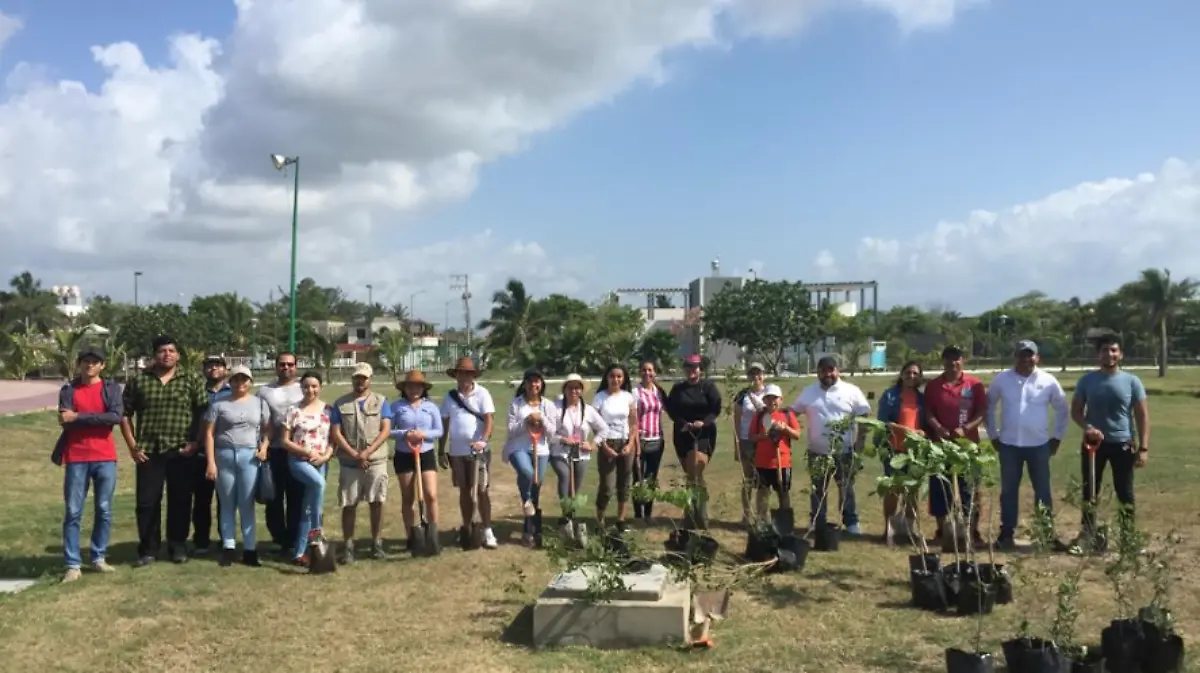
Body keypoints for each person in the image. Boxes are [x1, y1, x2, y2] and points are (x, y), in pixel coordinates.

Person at [120, 335, 209, 566]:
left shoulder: (191, 379)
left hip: (182, 450)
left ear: (178, 355)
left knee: (180, 500)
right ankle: (148, 549)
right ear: (154, 355)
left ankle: (177, 545)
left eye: (171, 350)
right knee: (147, 502)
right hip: (149, 451)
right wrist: (132, 446)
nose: (167, 354)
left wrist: (196, 442)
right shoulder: (139, 380)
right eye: (162, 351)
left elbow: (203, 413)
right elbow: (125, 414)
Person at [986, 340, 1070, 551]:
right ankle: (1006, 534)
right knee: (1008, 491)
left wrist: (1057, 437)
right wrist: (993, 435)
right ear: (1015, 357)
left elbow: (1062, 408)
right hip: (1009, 445)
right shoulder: (1002, 379)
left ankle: (1046, 533)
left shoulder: (1048, 380)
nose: (1025, 359)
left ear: (1037, 357)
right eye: (1021, 355)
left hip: (1039, 445)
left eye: (1029, 355)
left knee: (1042, 490)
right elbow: (988, 406)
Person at [1071, 334, 1150, 540]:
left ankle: (1127, 537)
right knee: (1090, 491)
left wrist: (1143, 448)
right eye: (1105, 350)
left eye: (1114, 350)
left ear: (1120, 354)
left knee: (1125, 492)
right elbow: (1076, 411)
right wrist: (1088, 428)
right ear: (1098, 354)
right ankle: (1088, 534)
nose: (1109, 354)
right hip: (1093, 445)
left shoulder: (1132, 382)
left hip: (1122, 444)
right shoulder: (1087, 381)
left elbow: (1142, 416)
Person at [56, 345, 123, 582]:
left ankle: (98, 557)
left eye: (95, 362)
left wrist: (79, 416)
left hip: (105, 456)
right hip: (76, 457)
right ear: (80, 364)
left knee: (103, 509)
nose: (90, 365)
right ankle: (73, 564)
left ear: (102, 365)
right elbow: (65, 419)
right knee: (73, 511)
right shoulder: (68, 390)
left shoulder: (111, 389)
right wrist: (92, 419)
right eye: (86, 361)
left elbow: (114, 417)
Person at [790, 355, 871, 536]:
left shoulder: (851, 391)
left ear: (837, 371)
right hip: (817, 452)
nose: (827, 374)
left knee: (846, 488)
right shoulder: (809, 392)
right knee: (817, 489)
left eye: (831, 370)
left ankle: (851, 522)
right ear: (817, 372)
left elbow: (864, 415)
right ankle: (817, 521)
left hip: (844, 451)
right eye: (823, 370)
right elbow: (793, 412)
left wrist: (859, 443)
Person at [201, 365, 271, 567]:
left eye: (244, 379)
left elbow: (268, 429)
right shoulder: (219, 404)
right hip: (224, 455)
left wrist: (264, 447)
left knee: (247, 503)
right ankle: (228, 547)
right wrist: (211, 462)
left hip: (249, 456)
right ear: (230, 381)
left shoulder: (259, 403)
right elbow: (209, 434)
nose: (240, 383)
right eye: (236, 379)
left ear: (250, 382)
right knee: (227, 503)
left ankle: (250, 549)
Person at [922, 345, 986, 545]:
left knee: (970, 489)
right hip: (940, 445)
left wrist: (966, 429)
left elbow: (981, 412)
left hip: (967, 445)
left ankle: (971, 531)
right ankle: (942, 530)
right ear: (943, 361)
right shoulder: (933, 386)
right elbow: (928, 412)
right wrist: (938, 427)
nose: (952, 362)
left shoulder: (974, 384)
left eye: (956, 358)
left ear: (962, 360)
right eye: (948, 358)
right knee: (940, 488)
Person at [329, 363, 393, 563]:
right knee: (349, 504)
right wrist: (354, 454)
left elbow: (385, 430)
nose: (360, 381)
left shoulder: (381, 401)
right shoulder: (341, 403)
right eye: (357, 377)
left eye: (364, 378)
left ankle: (377, 543)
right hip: (350, 462)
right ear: (352, 378)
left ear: (370, 379)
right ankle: (348, 546)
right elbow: (336, 433)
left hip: (376, 461)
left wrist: (367, 452)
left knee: (377, 502)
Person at [437, 357, 498, 550]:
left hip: (479, 452)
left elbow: (489, 420)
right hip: (457, 452)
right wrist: (441, 450)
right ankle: (467, 527)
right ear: (456, 375)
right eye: (461, 373)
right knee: (464, 491)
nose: (464, 376)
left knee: (481, 490)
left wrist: (483, 440)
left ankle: (487, 529)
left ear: (473, 375)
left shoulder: (483, 393)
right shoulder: (450, 397)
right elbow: (445, 424)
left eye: (468, 373)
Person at [280, 371, 334, 565]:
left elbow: (333, 440)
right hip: (299, 461)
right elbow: (285, 441)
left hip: (320, 462)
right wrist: (305, 451)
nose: (310, 390)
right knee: (318, 485)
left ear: (320, 387)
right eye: (306, 386)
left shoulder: (328, 410)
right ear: (301, 388)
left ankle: (300, 552)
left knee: (308, 508)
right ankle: (317, 535)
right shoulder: (293, 410)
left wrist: (325, 457)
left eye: (314, 386)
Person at [388, 370, 444, 555]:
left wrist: (423, 434)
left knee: (431, 495)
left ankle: (432, 534)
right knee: (408, 497)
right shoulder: (396, 407)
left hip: (425, 453)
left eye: (418, 386)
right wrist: (405, 433)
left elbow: (439, 431)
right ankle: (411, 536)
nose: (414, 389)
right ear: (404, 388)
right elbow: (388, 431)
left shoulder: (431, 407)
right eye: (410, 386)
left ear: (423, 388)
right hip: (404, 455)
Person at [665, 354, 722, 529]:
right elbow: (671, 410)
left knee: (695, 470)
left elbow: (716, 409)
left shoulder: (708, 387)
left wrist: (703, 422)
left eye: (695, 367)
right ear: (685, 369)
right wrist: (684, 423)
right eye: (688, 367)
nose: (692, 370)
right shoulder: (678, 389)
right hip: (683, 434)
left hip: (703, 434)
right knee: (691, 475)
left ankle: (699, 514)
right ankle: (692, 512)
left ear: (700, 369)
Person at [257, 352, 305, 555]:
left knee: (297, 497)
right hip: (274, 450)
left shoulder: (303, 388)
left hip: (298, 451)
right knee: (273, 497)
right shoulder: (264, 391)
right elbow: (261, 421)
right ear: (276, 366)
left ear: (296, 366)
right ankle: (278, 538)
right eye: (282, 364)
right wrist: (262, 446)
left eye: (290, 364)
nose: (286, 368)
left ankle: (294, 539)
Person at [875, 360, 926, 540]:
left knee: (912, 491)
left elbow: (926, 422)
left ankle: (908, 530)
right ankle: (888, 529)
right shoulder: (890, 396)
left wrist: (922, 433)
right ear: (902, 374)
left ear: (920, 377)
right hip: (894, 449)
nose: (911, 376)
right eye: (908, 372)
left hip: (915, 452)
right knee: (893, 489)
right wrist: (907, 431)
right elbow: (884, 422)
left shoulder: (922, 398)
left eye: (915, 373)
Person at [505, 369, 557, 546]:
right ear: (525, 384)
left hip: (541, 450)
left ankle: (530, 530)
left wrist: (542, 420)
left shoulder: (548, 405)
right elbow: (511, 431)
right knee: (527, 473)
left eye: (537, 381)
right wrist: (526, 421)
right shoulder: (516, 404)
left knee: (536, 485)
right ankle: (527, 502)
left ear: (541, 384)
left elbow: (552, 433)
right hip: (518, 448)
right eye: (530, 381)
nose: (533, 385)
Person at [552, 373, 607, 538]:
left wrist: (593, 444)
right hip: (560, 452)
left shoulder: (588, 410)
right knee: (564, 477)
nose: (574, 391)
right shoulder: (556, 408)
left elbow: (604, 429)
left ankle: (569, 518)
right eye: (570, 388)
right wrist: (563, 439)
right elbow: (548, 432)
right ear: (565, 389)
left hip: (581, 454)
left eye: (577, 388)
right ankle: (566, 517)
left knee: (575, 488)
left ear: (582, 391)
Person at [192, 354, 231, 557]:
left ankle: (226, 539)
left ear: (225, 369)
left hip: (226, 451)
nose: (213, 368)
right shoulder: (197, 391)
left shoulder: (234, 391)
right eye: (209, 365)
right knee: (202, 500)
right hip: (200, 452)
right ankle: (201, 541)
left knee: (226, 499)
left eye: (218, 365)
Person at [592, 364, 639, 529]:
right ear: (607, 377)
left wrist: (630, 444)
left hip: (625, 443)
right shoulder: (599, 398)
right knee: (607, 486)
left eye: (619, 376)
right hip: (608, 442)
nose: (616, 379)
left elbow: (633, 423)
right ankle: (600, 519)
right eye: (612, 376)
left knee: (624, 483)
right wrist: (605, 447)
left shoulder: (628, 397)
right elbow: (595, 425)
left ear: (624, 379)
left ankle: (621, 520)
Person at [749, 384, 801, 522]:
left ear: (781, 400)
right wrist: (763, 436)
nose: (771, 401)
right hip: (762, 462)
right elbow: (751, 436)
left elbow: (797, 435)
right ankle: (762, 520)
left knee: (783, 492)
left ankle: (784, 521)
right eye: (768, 398)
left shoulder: (787, 414)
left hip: (782, 462)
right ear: (764, 400)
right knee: (762, 492)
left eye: (775, 398)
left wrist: (786, 429)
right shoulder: (759, 415)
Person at [732, 362, 768, 526]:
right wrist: (737, 443)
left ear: (764, 375)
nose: (756, 377)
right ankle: (746, 515)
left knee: (763, 480)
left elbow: (771, 414)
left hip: (764, 441)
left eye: (758, 373)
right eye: (752, 373)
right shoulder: (742, 395)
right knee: (747, 479)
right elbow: (736, 420)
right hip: (747, 440)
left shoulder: (770, 393)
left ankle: (762, 515)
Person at [632, 360, 667, 522]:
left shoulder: (659, 392)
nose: (647, 373)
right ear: (640, 372)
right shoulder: (635, 392)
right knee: (638, 478)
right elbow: (632, 418)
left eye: (650, 370)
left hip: (656, 440)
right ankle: (638, 514)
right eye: (644, 370)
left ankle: (648, 513)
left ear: (655, 372)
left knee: (651, 478)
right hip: (640, 439)